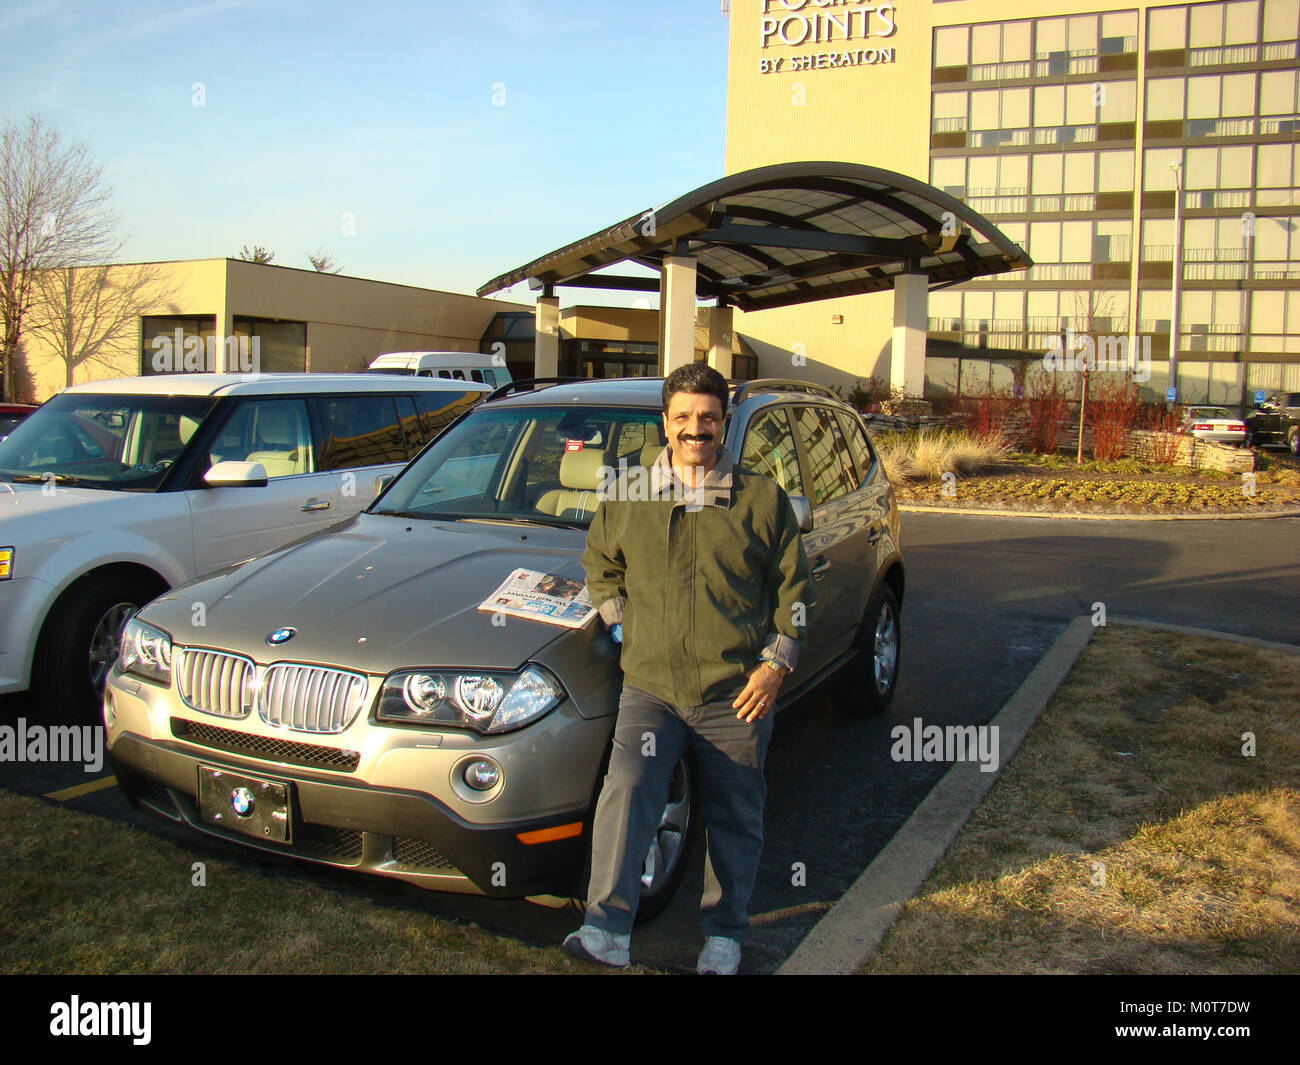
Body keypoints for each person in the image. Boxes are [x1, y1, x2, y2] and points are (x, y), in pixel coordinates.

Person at [564, 364, 811, 974]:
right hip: (651, 686)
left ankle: (725, 937)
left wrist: (775, 664)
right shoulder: (627, 493)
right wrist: (621, 620)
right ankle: (606, 932)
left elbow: (795, 592)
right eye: (683, 417)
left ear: (723, 423)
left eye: (707, 417)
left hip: (735, 693)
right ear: (665, 423)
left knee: (735, 816)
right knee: (627, 798)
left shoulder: (762, 499)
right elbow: (600, 560)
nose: (694, 429)